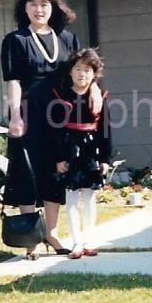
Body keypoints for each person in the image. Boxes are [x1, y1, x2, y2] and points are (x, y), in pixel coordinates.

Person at [0, 0, 102, 260]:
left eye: (44, 4)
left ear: (53, 7)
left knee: (56, 172)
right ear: (25, 8)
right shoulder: (16, 40)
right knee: (27, 173)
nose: (38, 9)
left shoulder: (67, 38)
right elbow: (13, 82)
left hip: (62, 115)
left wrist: (93, 88)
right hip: (30, 114)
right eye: (32, 4)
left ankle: (51, 232)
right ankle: (31, 237)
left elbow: (86, 68)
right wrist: (16, 116)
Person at [49, 49, 112, 259]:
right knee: (72, 198)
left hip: (91, 151)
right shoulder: (60, 96)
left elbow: (105, 129)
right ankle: (76, 242)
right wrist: (58, 157)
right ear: (70, 72)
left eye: (87, 70)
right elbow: (56, 130)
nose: (82, 74)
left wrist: (105, 159)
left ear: (94, 74)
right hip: (69, 150)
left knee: (89, 198)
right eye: (77, 69)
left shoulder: (99, 97)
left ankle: (88, 240)